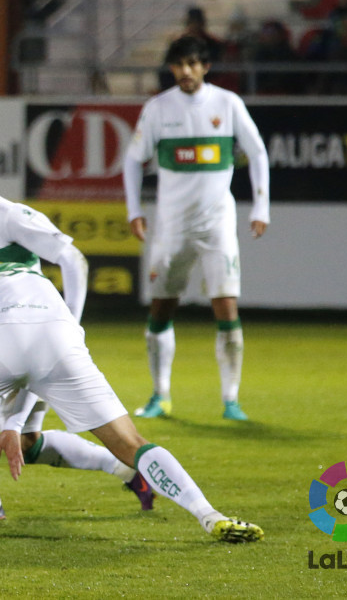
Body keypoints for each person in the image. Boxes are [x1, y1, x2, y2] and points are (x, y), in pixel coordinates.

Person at [0, 235, 264, 545]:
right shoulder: (23, 274)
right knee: (131, 442)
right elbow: (33, 361)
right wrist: (16, 422)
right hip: (63, 342)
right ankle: (209, 514)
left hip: (0, 345)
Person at [0, 140, 154, 519]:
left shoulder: (4, 214)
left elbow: (71, 258)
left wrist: (71, 320)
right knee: (18, 437)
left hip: (29, 341)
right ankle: (124, 471)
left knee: (2, 427)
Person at [122, 35, 270, 422]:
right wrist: (134, 210)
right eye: (178, 65)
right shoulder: (158, 108)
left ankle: (231, 399)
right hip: (172, 226)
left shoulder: (227, 103)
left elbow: (257, 152)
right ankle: (160, 395)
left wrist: (261, 206)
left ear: (205, 66)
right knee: (161, 308)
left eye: (192, 63)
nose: (185, 71)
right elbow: (133, 160)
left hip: (217, 224)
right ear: (172, 68)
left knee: (226, 305)